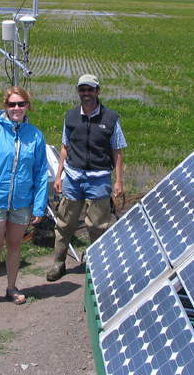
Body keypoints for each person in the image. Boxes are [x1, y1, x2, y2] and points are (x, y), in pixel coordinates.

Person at [0, 87, 49, 312]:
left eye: (21, 104)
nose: (16, 108)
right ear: (5, 106)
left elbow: (41, 172)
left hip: (22, 202)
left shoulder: (35, 135)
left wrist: (40, 204)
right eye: (12, 104)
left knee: (14, 246)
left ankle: (12, 287)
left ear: (27, 106)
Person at [46, 74, 126, 282]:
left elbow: (117, 151)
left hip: (98, 178)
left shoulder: (111, 118)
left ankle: (97, 263)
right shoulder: (70, 116)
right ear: (78, 92)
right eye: (82, 90)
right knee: (64, 223)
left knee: (98, 225)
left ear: (98, 91)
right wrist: (58, 175)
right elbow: (65, 147)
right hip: (73, 177)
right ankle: (58, 262)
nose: (86, 94)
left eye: (90, 89)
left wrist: (118, 181)